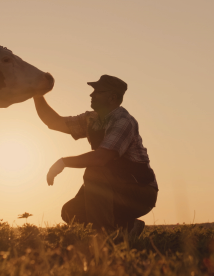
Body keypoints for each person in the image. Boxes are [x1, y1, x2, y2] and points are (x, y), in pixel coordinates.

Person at [33, 75, 158, 234]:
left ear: (112, 97)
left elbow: (100, 158)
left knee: (94, 172)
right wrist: (36, 94)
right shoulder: (92, 119)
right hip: (113, 183)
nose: (92, 95)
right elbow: (53, 121)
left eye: (97, 92)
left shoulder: (123, 121)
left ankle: (103, 236)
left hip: (140, 193)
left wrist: (63, 162)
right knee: (71, 211)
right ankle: (127, 227)